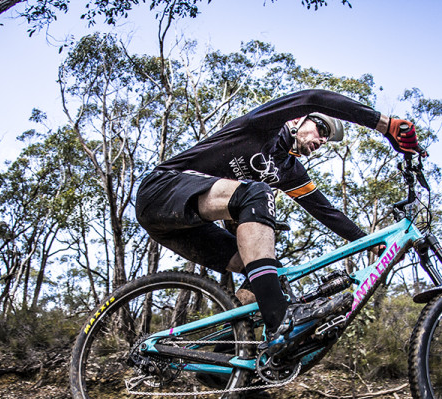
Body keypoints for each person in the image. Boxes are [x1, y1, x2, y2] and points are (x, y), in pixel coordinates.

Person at [135, 89, 423, 353]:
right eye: (320, 129)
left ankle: (224, 362)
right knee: (257, 193)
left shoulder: (289, 171)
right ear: (298, 120)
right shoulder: (264, 127)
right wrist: (384, 124)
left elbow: (327, 212)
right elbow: (314, 98)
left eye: (325, 141)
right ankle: (280, 318)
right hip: (160, 193)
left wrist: (373, 245)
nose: (321, 141)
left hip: (184, 229)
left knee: (271, 277)